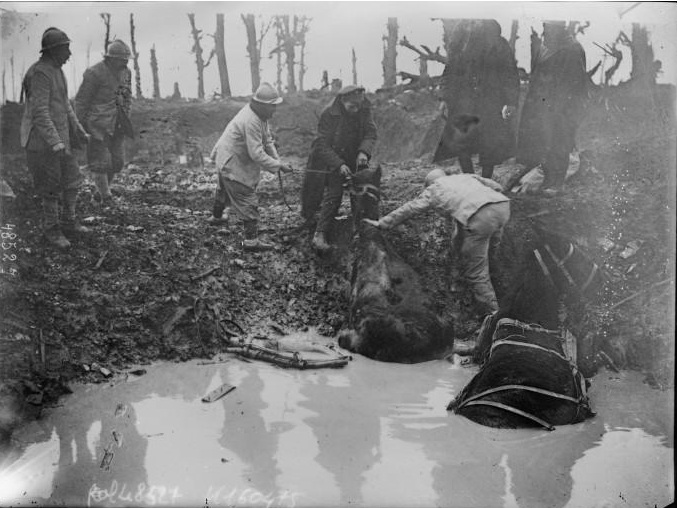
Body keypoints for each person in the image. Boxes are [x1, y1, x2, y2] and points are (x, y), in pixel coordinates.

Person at [363, 169, 510, 315]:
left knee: (476, 273)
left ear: (428, 184)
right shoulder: (464, 177)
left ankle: (494, 315)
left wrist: (383, 223)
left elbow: (410, 208)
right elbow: (497, 187)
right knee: (490, 253)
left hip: (481, 219)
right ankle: (498, 281)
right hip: (501, 206)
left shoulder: (434, 189)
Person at [20, 27, 90, 249]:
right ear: (53, 50)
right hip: (41, 142)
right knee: (50, 187)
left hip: (60, 139)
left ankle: (69, 222)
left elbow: (66, 106)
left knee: (72, 179)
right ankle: (52, 230)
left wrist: (78, 130)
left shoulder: (57, 71)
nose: (69, 54)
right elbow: (39, 112)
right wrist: (55, 141)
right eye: (66, 49)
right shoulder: (39, 73)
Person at [208, 82, 293, 251]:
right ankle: (251, 241)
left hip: (226, 156)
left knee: (223, 188)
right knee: (246, 195)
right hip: (232, 161)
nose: (274, 110)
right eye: (272, 107)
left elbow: (267, 140)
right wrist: (278, 166)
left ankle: (217, 218)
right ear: (262, 105)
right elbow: (256, 153)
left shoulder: (259, 116)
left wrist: (278, 160)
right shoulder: (251, 120)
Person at [433, 19, 520, 178]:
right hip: (463, 101)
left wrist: (511, 102)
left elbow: (510, 74)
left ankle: (486, 179)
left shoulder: (499, 43)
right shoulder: (461, 40)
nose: (476, 23)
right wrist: (444, 98)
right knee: (461, 141)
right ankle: (469, 177)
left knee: (489, 144)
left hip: (490, 101)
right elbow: (449, 70)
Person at [301, 85, 377, 252]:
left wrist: (364, 151)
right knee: (334, 194)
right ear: (343, 101)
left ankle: (361, 231)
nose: (355, 110)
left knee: (361, 192)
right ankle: (319, 235)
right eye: (352, 107)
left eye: (358, 106)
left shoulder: (364, 109)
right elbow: (322, 144)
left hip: (356, 156)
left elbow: (371, 133)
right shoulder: (329, 114)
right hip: (333, 157)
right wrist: (338, 164)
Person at [517, 20, 588, 196]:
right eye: (544, 29)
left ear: (558, 30)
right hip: (544, 106)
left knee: (560, 144)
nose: (544, 34)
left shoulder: (572, 48)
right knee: (545, 143)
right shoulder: (545, 48)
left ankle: (556, 184)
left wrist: (565, 108)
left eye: (547, 30)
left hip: (564, 107)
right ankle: (548, 181)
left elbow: (576, 83)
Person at [75, 39, 133, 205]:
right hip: (97, 124)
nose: (126, 62)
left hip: (118, 123)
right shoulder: (94, 73)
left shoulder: (126, 72)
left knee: (117, 162)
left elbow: (128, 96)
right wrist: (81, 126)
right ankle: (106, 198)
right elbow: (81, 101)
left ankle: (99, 193)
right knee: (100, 162)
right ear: (111, 59)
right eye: (122, 59)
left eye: (126, 59)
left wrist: (126, 115)